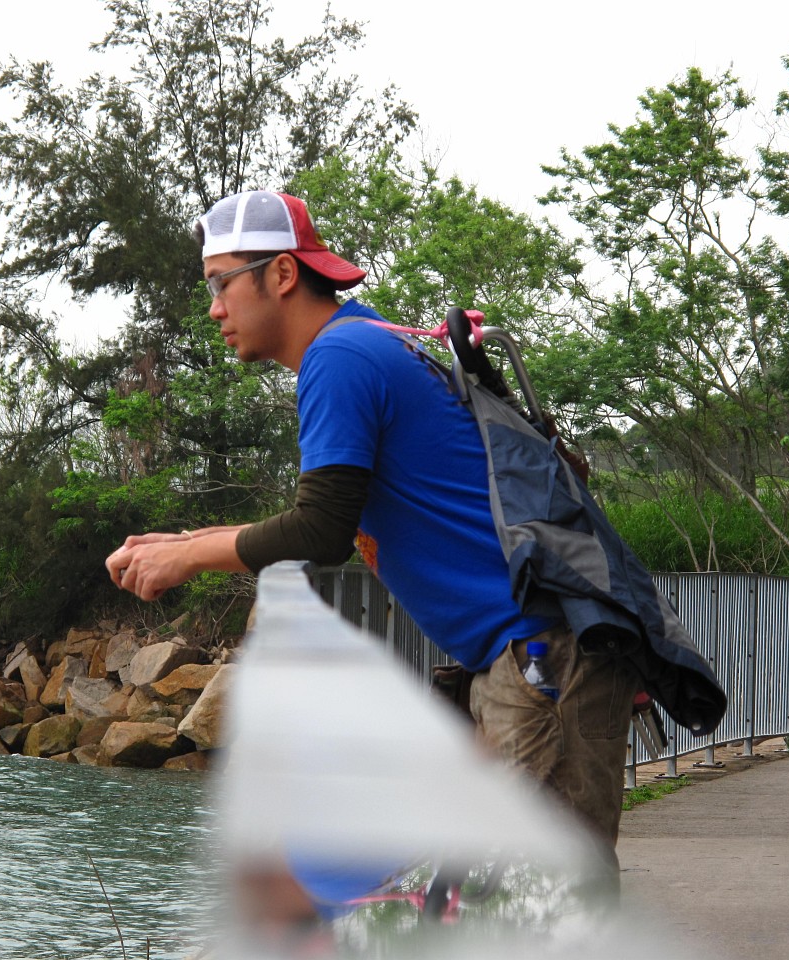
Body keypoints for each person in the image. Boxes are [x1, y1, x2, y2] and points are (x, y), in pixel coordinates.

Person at [107, 190, 639, 882]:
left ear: (282, 274)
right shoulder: (365, 340)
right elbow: (327, 509)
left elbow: (321, 530)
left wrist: (188, 561)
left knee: (541, 902)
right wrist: (182, 542)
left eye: (220, 283)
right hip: (531, 655)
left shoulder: (339, 357)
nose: (214, 308)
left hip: (542, 658)